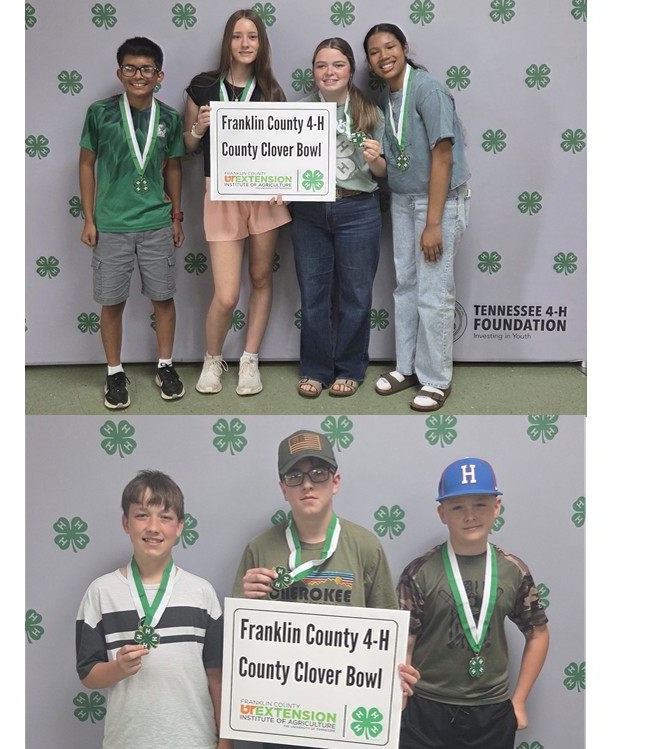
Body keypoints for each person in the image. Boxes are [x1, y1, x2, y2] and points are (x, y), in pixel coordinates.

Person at [233, 429, 420, 749]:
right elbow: (240, 642)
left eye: (318, 473)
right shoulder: (260, 548)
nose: (307, 484)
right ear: (283, 489)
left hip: (347, 714)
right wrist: (245, 603)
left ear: (335, 481)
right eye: (295, 476)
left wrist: (398, 676)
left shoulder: (364, 546)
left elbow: (390, 631)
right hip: (282, 714)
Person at [395, 458, 550, 749]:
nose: (470, 516)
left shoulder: (512, 570)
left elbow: (538, 633)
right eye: (457, 507)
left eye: (480, 504)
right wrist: (400, 697)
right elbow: (405, 643)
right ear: (442, 513)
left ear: (497, 507)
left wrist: (518, 701)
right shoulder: (420, 571)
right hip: (427, 707)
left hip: (491, 710)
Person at [75, 470, 230, 749]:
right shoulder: (101, 592)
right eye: (142, 515)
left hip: (195, 741)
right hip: (128, 741)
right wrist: (118, 668)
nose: (153, 527)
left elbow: (216, 675)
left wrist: (225, 741)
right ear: (126, 522)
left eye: (166, 517)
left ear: (180, 526)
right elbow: (88, 674)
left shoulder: (202, 593)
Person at [363, 23, 472, 412]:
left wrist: (433, 223)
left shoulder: (428, 90)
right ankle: (406, 367)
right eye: (374, 52)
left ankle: (436, 379)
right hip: (404, 201)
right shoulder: (388, 98)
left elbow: (443, 156)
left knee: (433, 292)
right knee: (406, 286)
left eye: (390, 46)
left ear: (405, 48)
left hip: (435, 205)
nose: (383, 56)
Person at [184, 8, 291, 397]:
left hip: (264, 195)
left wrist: (286, 183)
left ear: (261, 44)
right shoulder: (202, 86)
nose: (245, 44)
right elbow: (188, 145)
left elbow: (283, 153)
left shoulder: (272, 91)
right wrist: (200, 127)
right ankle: (213, 359)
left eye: (252, 37)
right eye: (237, 36)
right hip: (223, 194)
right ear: (227, 41)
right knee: (226, 293)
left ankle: (250, 359)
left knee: (261, 278)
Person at [79, 37, 186, 411]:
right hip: (110, 225)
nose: (138, 75)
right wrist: (89, 219)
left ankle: (166, 365)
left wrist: (175, 216)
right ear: (119, 72)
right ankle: (114, 371)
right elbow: (86, 164)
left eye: (146, 69)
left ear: (160, 75)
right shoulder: (100, 113)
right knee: (112, 302)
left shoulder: (170, 118)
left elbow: (174, 166)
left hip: (156, 222)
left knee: (164, 298)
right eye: (130, 68)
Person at [289, 38, 387, 399]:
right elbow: (284, 163)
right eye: (321, 65)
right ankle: (314, 369)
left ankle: (349, 368)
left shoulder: (370, 112)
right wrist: (277, 183)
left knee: (356, 295)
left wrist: (376, 157)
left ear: (350, 70)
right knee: (313, 295)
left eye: (337, 65)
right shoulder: (297, 112)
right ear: (313, 71)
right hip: (310, 212)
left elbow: (380, 173)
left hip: (358, 210)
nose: (329, 72)